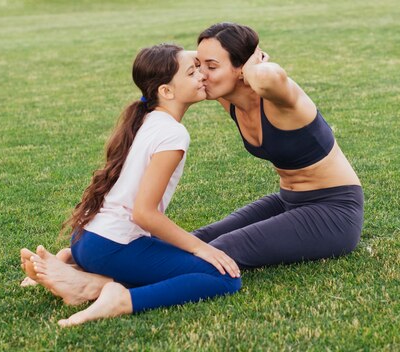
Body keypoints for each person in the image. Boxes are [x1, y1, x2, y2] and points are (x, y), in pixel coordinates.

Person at [20, 43, 241, 327]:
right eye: (192, 71)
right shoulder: (173, 134)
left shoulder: (148, 119)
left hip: (85, 241)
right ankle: (118, 298)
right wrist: (202, 249)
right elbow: (144, 214)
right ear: (167, 91)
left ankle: (75, 267)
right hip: (110, 248)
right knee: (224, 278)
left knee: (175, 253)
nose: (202, 75)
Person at [192, 23, 364, 269]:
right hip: (287, 201)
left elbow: (267, 77)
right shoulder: (226, 94)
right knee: (198, 240)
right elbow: (179, 64)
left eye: (212, 66)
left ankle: (127, 297)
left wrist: (253, 64)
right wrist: (204, 60)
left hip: (333, 210)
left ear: (242, 68)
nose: (202, 74)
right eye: (200, 65)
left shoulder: (281, 97)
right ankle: (120, 275)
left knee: (221, 250)